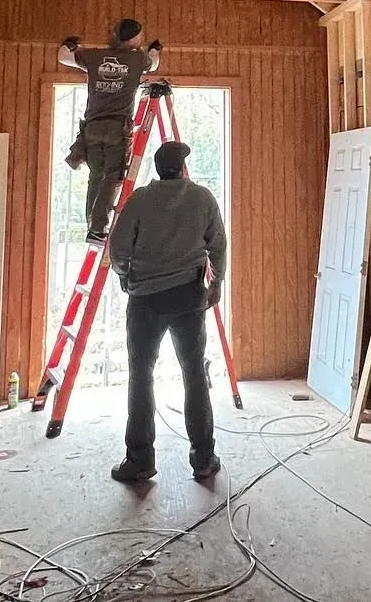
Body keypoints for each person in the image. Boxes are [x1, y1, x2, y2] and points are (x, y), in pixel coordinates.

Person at [107, 141, 227, 484]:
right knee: (193, 373)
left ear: (159, 169)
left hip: (146, 300)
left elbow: (118, 250)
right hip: (189, 298)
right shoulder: (202, 198)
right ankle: (203, 458)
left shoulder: (141, 199)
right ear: (183, 168)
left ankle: (140, 460)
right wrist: (215, 283)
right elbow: (217, 244)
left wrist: (126, 276)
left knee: (141, 375)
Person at [59, 19, 162, 241]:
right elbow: (153, 63)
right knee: (112, 177)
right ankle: (98, 228)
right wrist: (155, 49)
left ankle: (92, 226)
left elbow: (63, 57)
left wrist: (69, 44)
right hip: (116, 128)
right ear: (134, 38)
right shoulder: (137, 59)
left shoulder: (94, 57)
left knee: (96, 175)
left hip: (92, 127)